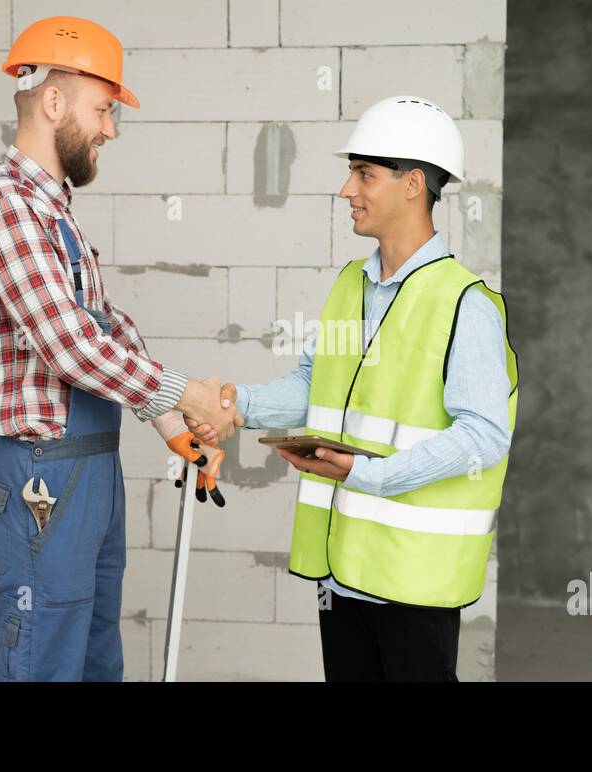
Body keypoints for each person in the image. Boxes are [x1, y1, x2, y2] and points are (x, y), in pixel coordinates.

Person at [191, 96, 519, 681]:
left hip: (416, 580)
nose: (348, 189)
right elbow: (316, 386)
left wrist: (369, 473)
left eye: (364, 174)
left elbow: (485, 435)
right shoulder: (351, 285)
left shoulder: (465, 304)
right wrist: (235, 404)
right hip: (344, 568)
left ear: (413, 184)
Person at [0, 16, 235, 681]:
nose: (111, 128)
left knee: (93, 660)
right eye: (104, 109)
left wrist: (173, 425)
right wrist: (189, 394)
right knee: (43, 662)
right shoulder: (7, 209)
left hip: (88, 470)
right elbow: (71, 348)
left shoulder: (53, 212)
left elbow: (105, 326)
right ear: (53, 102)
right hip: (39, 478)